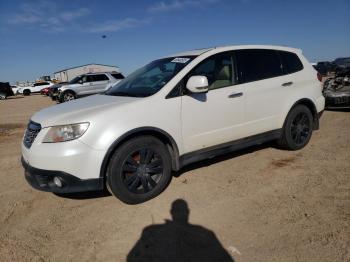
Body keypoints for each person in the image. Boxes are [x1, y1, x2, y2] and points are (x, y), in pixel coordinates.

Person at [127, 199, 234, 262]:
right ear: (188, 212)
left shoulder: (151, 231)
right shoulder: (204, 233)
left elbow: (131, 257)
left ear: (171, 212)